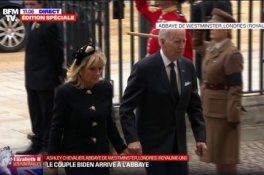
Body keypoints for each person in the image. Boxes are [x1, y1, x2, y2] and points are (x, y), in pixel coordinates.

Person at [120, 28, 207, 175]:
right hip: (154, 145)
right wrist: (132, 139)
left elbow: (194, 107)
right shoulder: (144, 68)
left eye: (184, 41)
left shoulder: (188, 66)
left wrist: (200, 137)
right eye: (177, 41)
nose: (181, 46)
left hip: (179, 146)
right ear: (162, 42)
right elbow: (126, 108)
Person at [47, 44, 128, 175]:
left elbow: (108, 122)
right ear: (80, 69)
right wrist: (52, 164)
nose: (98, 73)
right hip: (76, 156)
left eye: (100, 69)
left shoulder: (105, 88)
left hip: (101, 155)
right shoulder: (65, 92)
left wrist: (121, 148)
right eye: (92, 69)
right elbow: (56, 128)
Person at [193, 8, 244, 175]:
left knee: (226, 158)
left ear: (226, 29)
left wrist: (233, 115)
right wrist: (199, 28)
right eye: (210, 25)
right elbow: (197, 44)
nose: (211, 28)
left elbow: (236, 87)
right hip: (210, 108)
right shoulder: (212, 47)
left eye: (215, 25)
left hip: (224, 113)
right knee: (217, 156)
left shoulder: (231, 53)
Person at [16, 0, 65, 155]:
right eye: (27, 5)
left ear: (41, 5)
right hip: (31, 77)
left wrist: (57, 73)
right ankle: (36, 141)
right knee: (35, 112)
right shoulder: (32, 22)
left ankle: (47, 145)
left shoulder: (49, 24)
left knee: (47, 113)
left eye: (33, 5)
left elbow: (56, 52)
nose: (29, 8)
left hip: (45, 77)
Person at [191, 0, 232, 82]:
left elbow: (193, 29)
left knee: (204, 81)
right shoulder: (226, 3)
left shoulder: (198, 6)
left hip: (203, 47)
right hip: (223, 46)